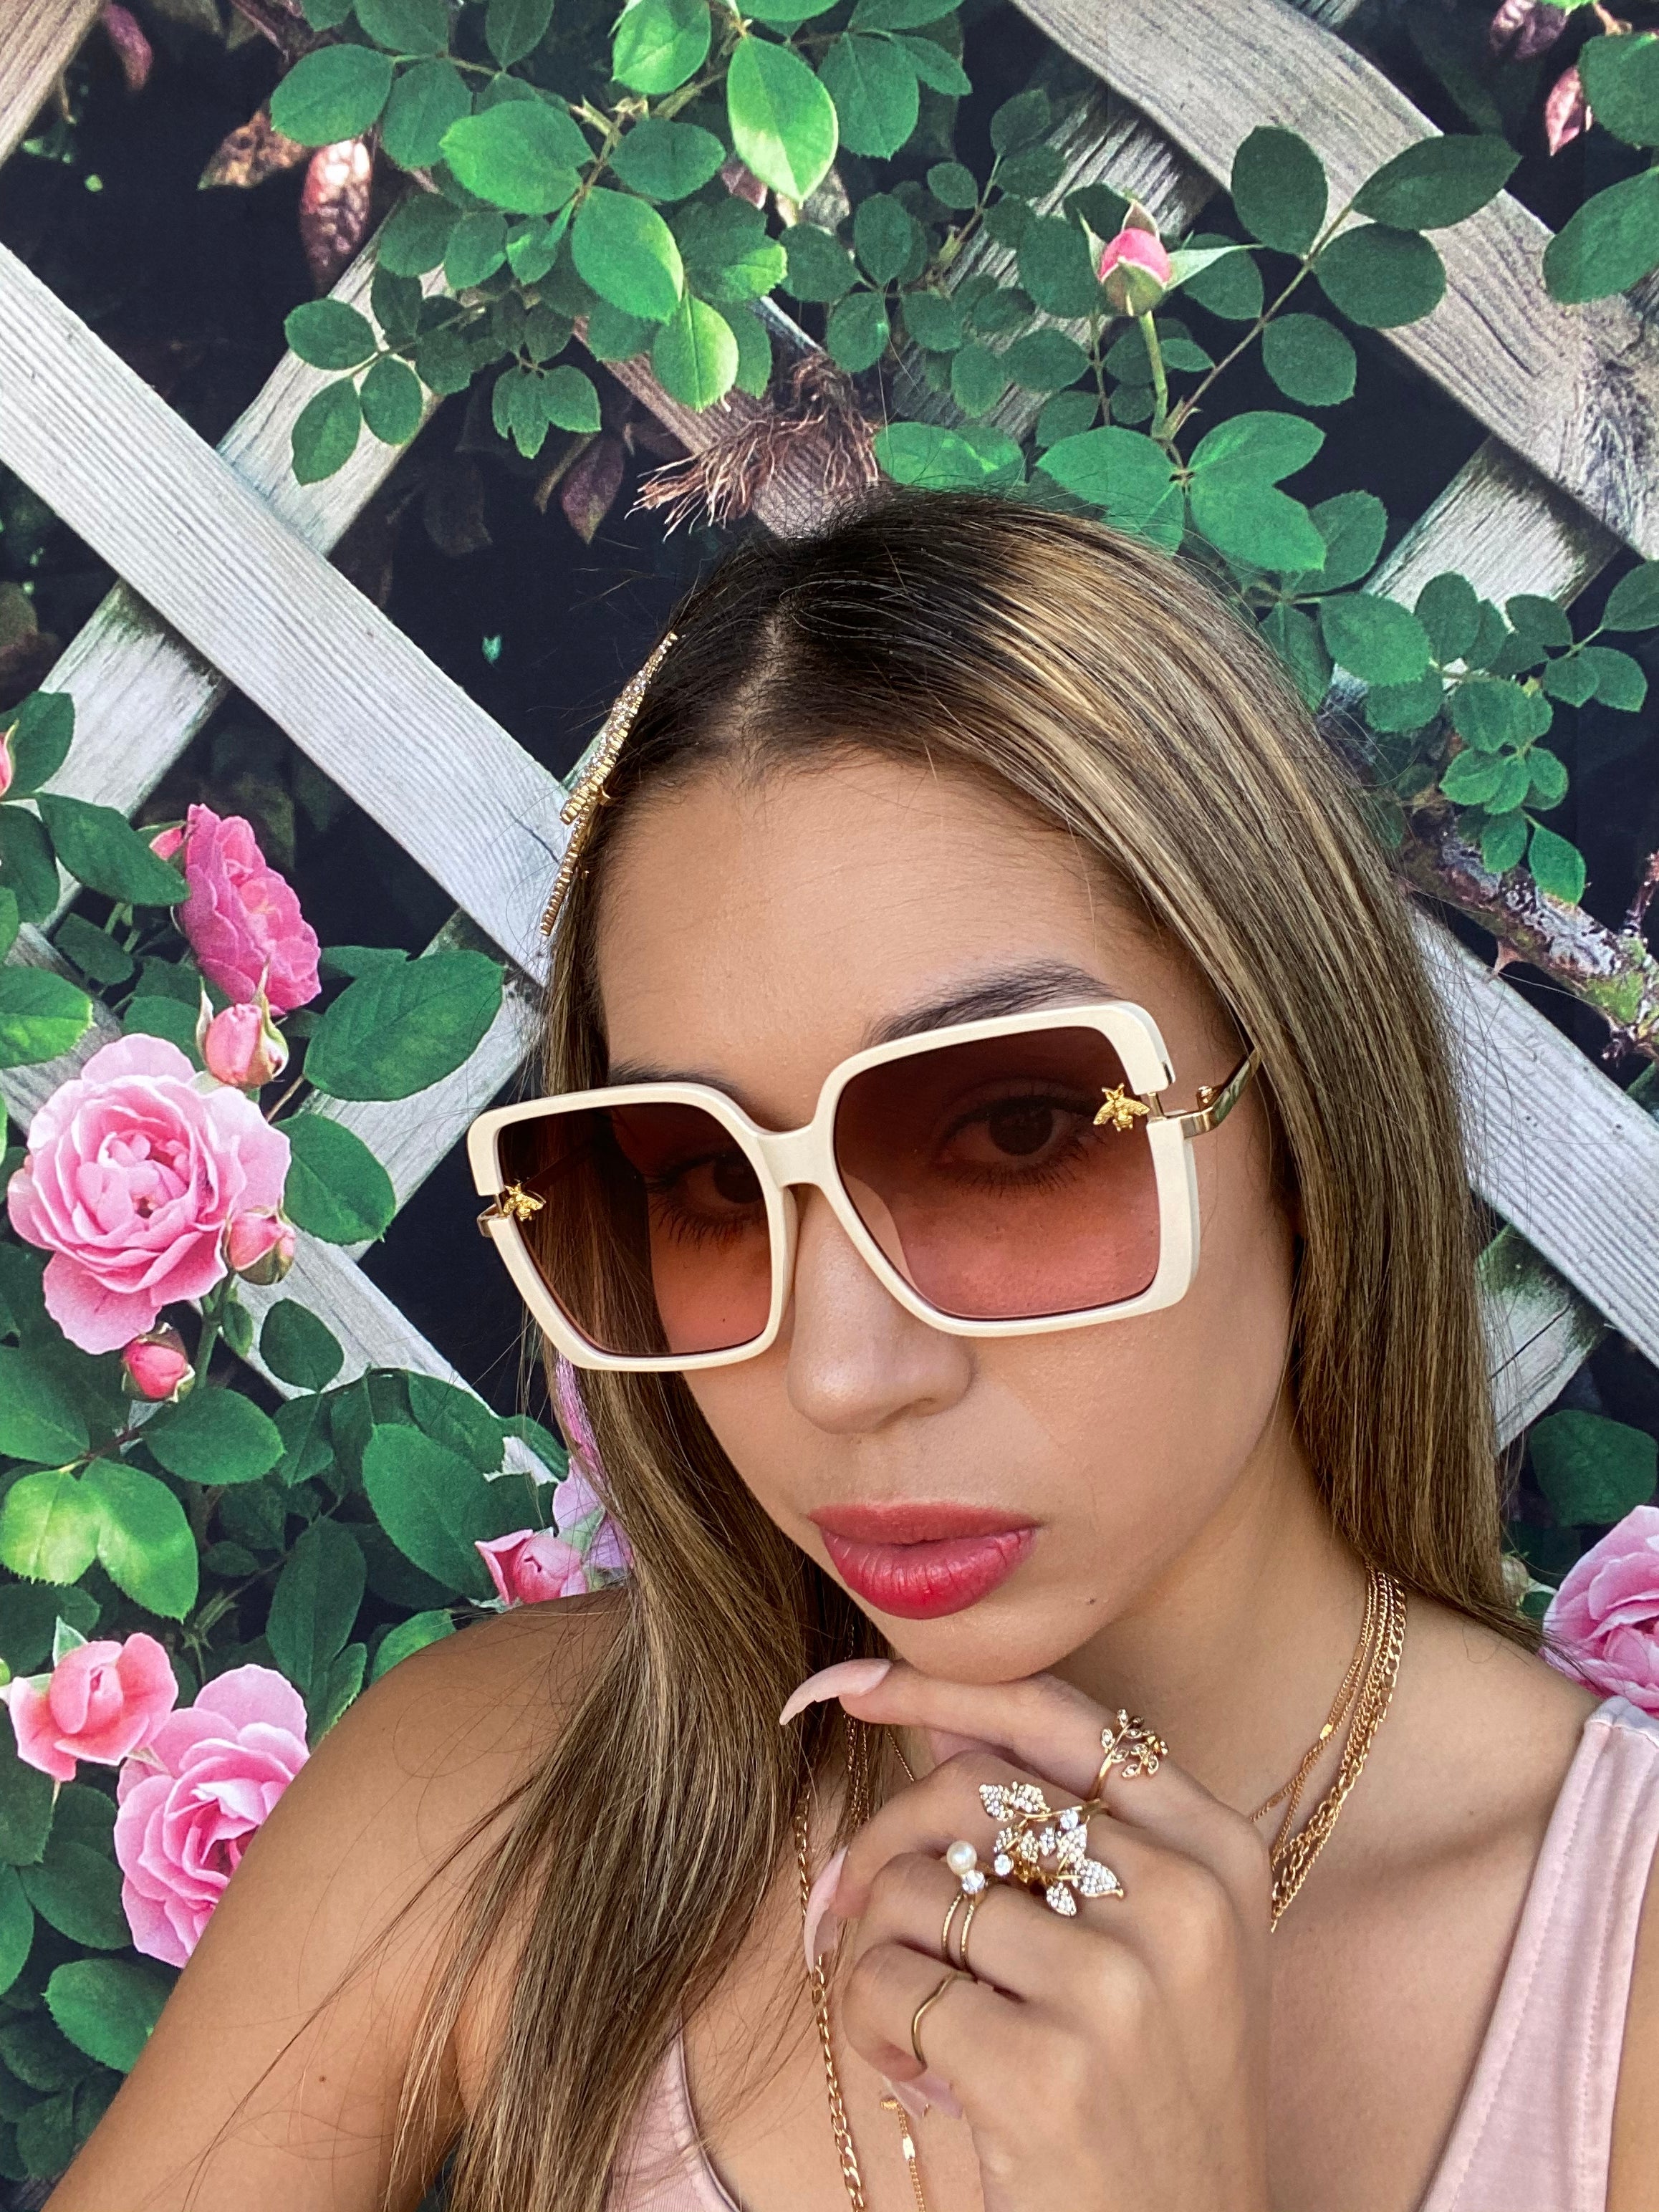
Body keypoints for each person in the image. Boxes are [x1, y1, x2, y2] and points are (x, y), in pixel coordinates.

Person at [49, 491, 1659, 2212]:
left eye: (1015, 1130)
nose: (839, 1370)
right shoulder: (477, 1803)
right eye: (700, 1180)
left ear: (1300, 1109)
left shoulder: (1613, 1973)